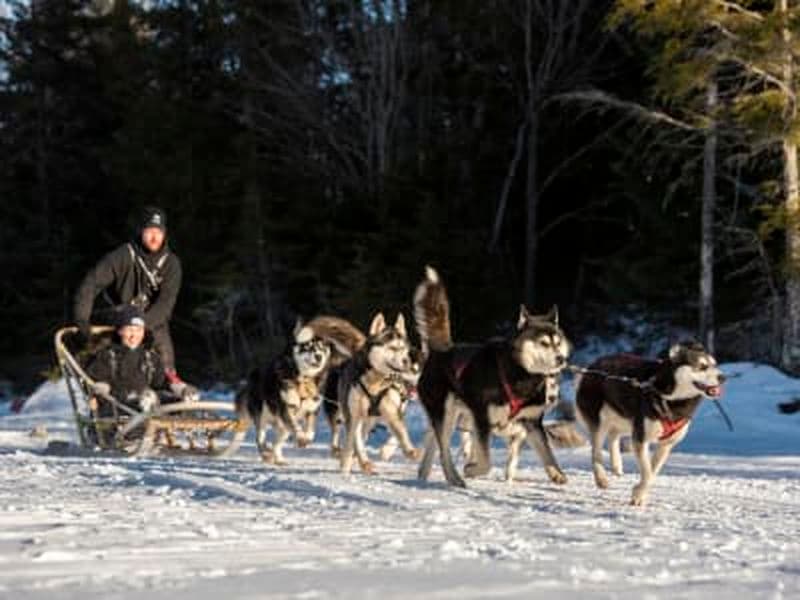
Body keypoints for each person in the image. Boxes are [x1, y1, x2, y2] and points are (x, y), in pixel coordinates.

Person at [73, 206, 185, 384]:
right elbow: (91, 283)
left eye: (159, 232)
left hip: (152, 322)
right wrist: (82, 320)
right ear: (141, 232)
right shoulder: (122, 256)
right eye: (149, 231)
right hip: (118, 317)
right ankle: (100, 388)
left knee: (162, 349)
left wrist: (140, 326)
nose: (154, 237)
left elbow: (166, 305)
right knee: (101, 353)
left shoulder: (171, 264)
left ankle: (170, 385)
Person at [86, 305, 198, 417]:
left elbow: (163, 381)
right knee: (144, 401)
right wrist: (99, 391)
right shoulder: (107, 356)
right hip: (118, 408)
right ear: (120, 331)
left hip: (147, 405)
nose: (134, 336)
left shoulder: (150, 358)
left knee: (177, 400)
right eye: (130, 330)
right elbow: (96, 381)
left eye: (138, 330)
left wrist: (181, 389)